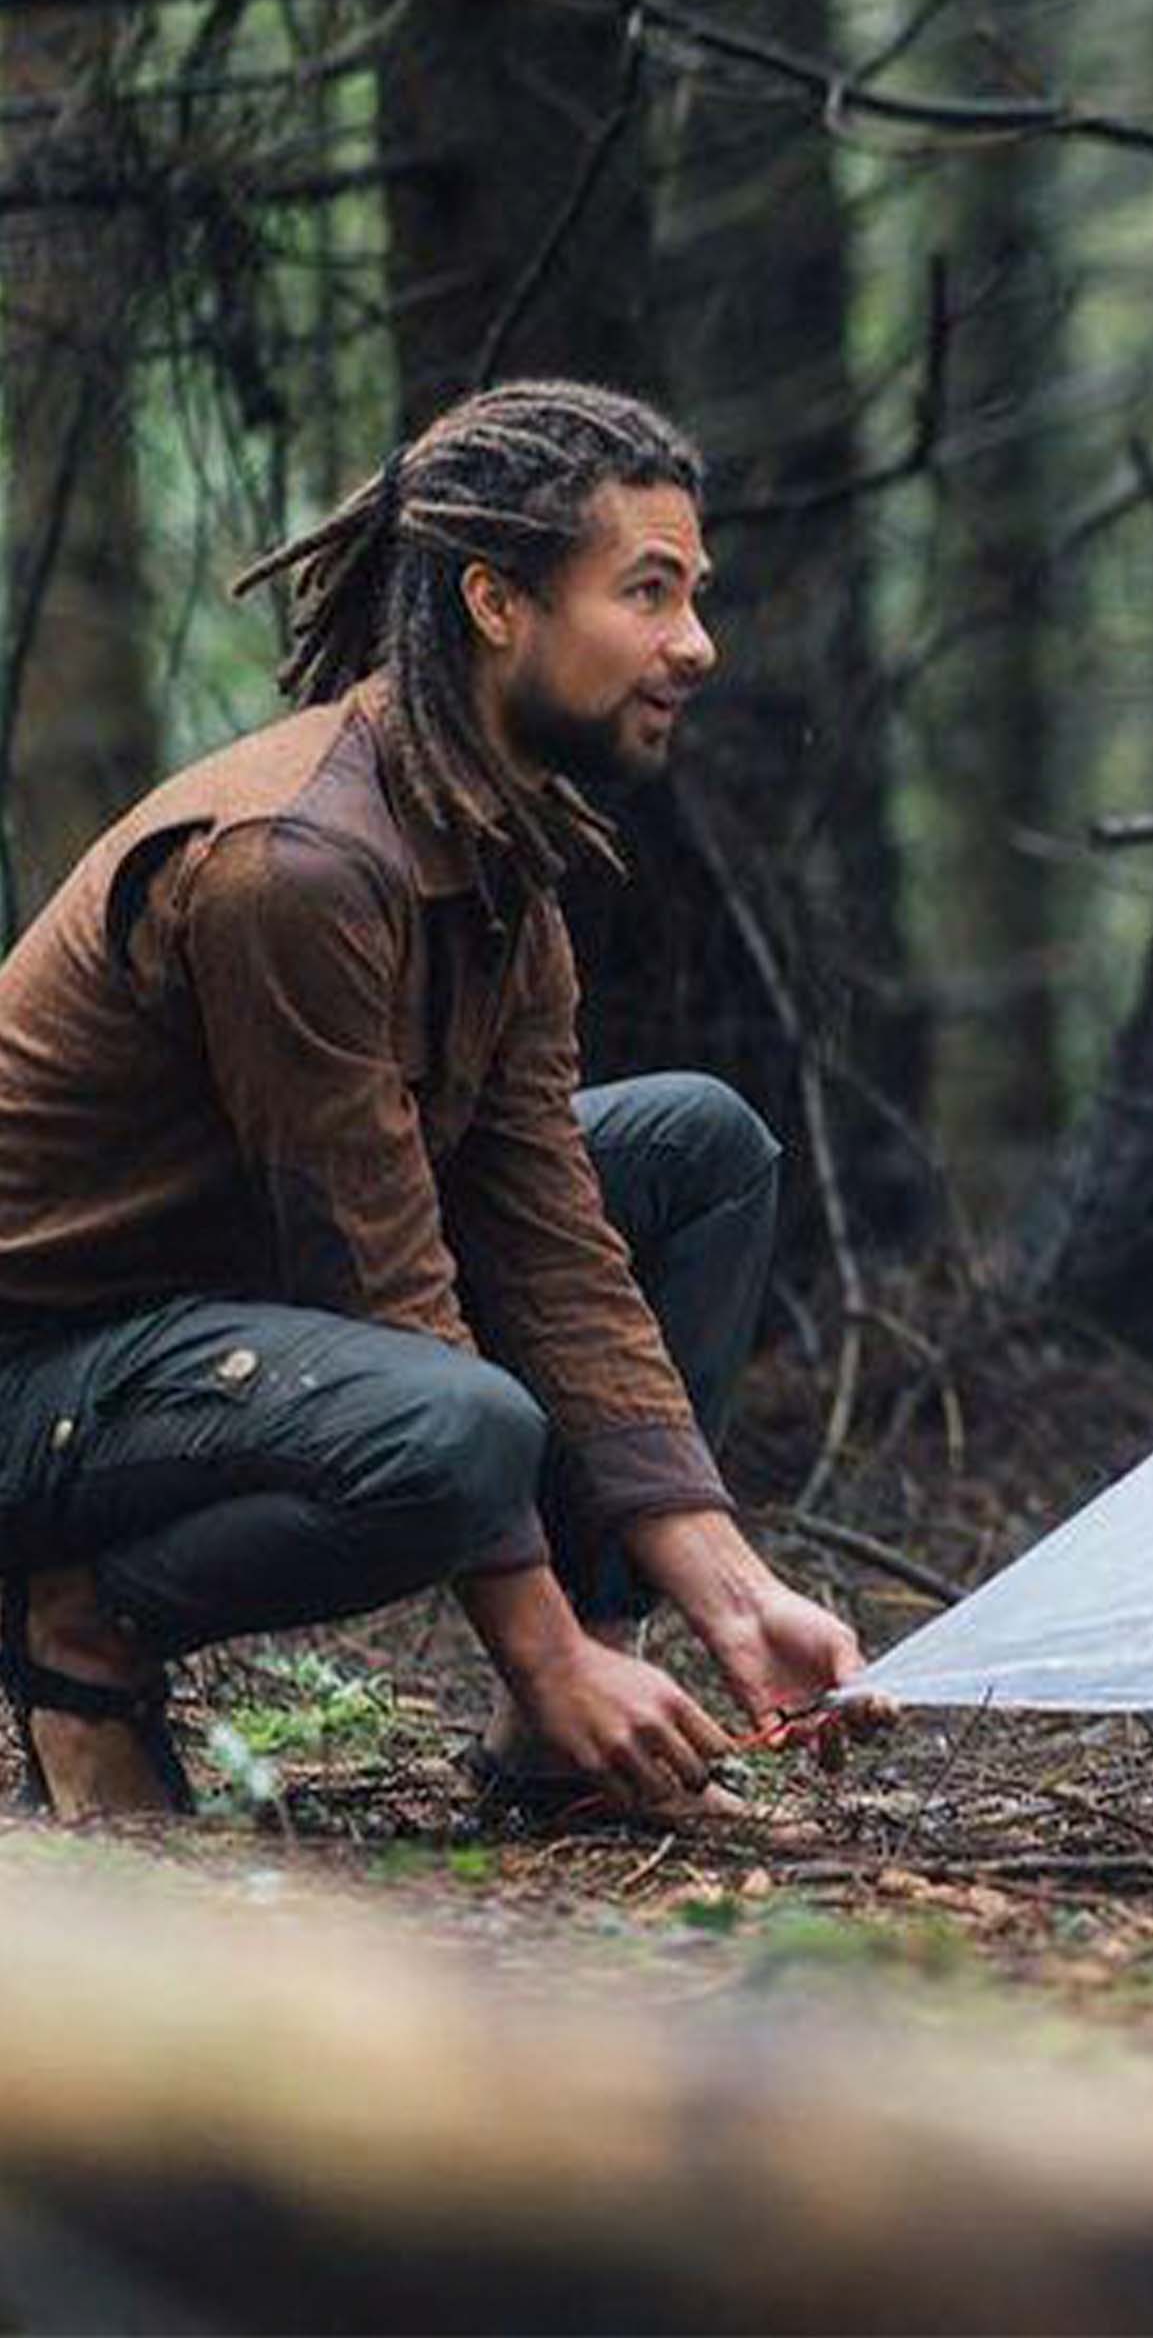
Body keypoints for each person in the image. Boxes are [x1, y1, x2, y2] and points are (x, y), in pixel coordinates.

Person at [0, 377, 868, 1820]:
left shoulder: (486, 842)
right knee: (458, 1421)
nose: (695, 645)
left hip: (213, 1326)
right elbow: (380, 1281)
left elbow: (548, 1234)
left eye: (695, 594)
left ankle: (584, 1739)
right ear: (495, 602)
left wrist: (732, 1589)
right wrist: (528, 1650)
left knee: (693, 1148)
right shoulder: (295, 866)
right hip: (42, 1375)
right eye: (648, 594)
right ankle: (78, 1629)